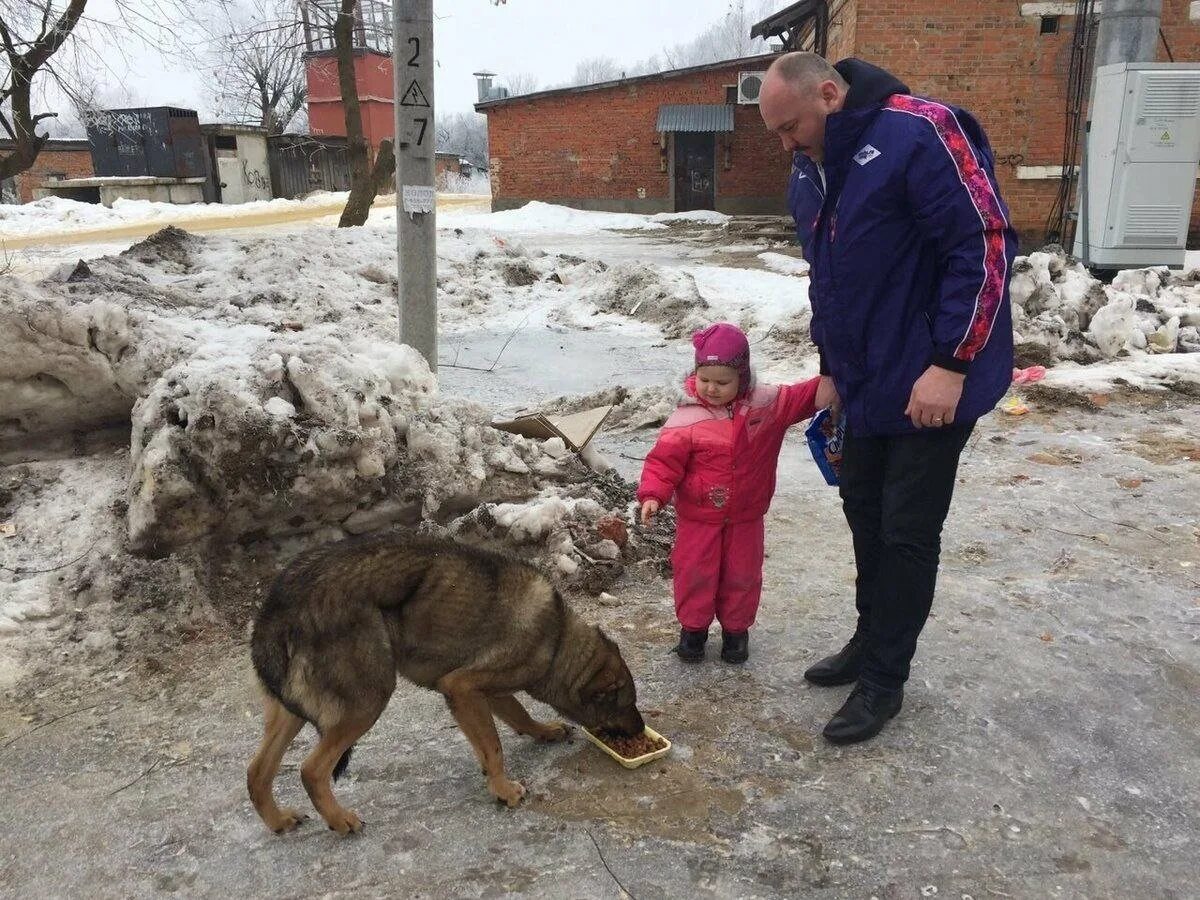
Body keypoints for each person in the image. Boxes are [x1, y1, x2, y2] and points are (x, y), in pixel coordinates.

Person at [758, 53, 1016, 744]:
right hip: (866, 378)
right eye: (776, 133)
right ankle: (869, 638)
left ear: (829, 94)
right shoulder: (809, 169)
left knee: (905, 530)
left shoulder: (922, 131)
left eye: (790, 127)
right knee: (863, 509)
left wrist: (951, 364)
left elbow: (985, 245)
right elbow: (827, 280)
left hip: (932, 376)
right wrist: (831, 369)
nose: (785, 146)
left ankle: (884, 680)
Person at [638, 323, 819, 665]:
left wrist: (838, 374)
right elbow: (663, 462)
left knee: (743, 575)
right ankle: (693, 631)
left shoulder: (766, 405)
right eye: (705, 379)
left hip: (746, 516)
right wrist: (653, 494)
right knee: (694, 573)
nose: (712, 388)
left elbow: (806, 396)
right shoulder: (686, 418)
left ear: (742, 377)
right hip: (698, 518)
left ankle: (736, 633)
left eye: (722, 382)